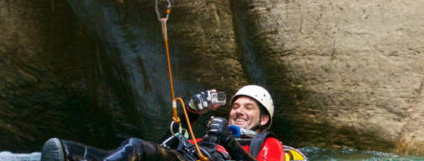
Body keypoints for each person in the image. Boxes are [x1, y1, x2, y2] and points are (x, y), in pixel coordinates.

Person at [41, 85, 285, 161]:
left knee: (135, 148)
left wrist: (229, 142)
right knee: (137, 149)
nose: (238, 111)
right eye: (235, 106)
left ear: (264, 119)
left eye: (248, 107)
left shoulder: (267, 143)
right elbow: (168, 144)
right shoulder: (210, 137)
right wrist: (191, 111)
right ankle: (66, 153)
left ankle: (72, 155)